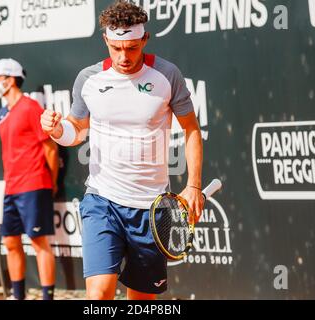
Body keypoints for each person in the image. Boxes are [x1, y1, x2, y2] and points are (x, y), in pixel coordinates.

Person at [41, 0, 204, 300]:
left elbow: (192, 130)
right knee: (99, 293)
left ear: (144, 39)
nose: (124, 56)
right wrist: (56, 130)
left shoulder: (167, 75)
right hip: (103, 201)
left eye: (131, 47)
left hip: (152, 209)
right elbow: (75, 130)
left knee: (141, 300)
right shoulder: (88, 80)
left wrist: (193, 185)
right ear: (106, 39)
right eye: (116, 47)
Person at [0, 58, 58, 300]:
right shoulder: (2, 112)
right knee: (11, 242)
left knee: (38, 242)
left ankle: (47, 297)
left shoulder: (30, 107)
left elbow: (51, 148)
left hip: (35, 184)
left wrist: (51, 182)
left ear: (10, 79)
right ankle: (18, 296)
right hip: (11, 187)